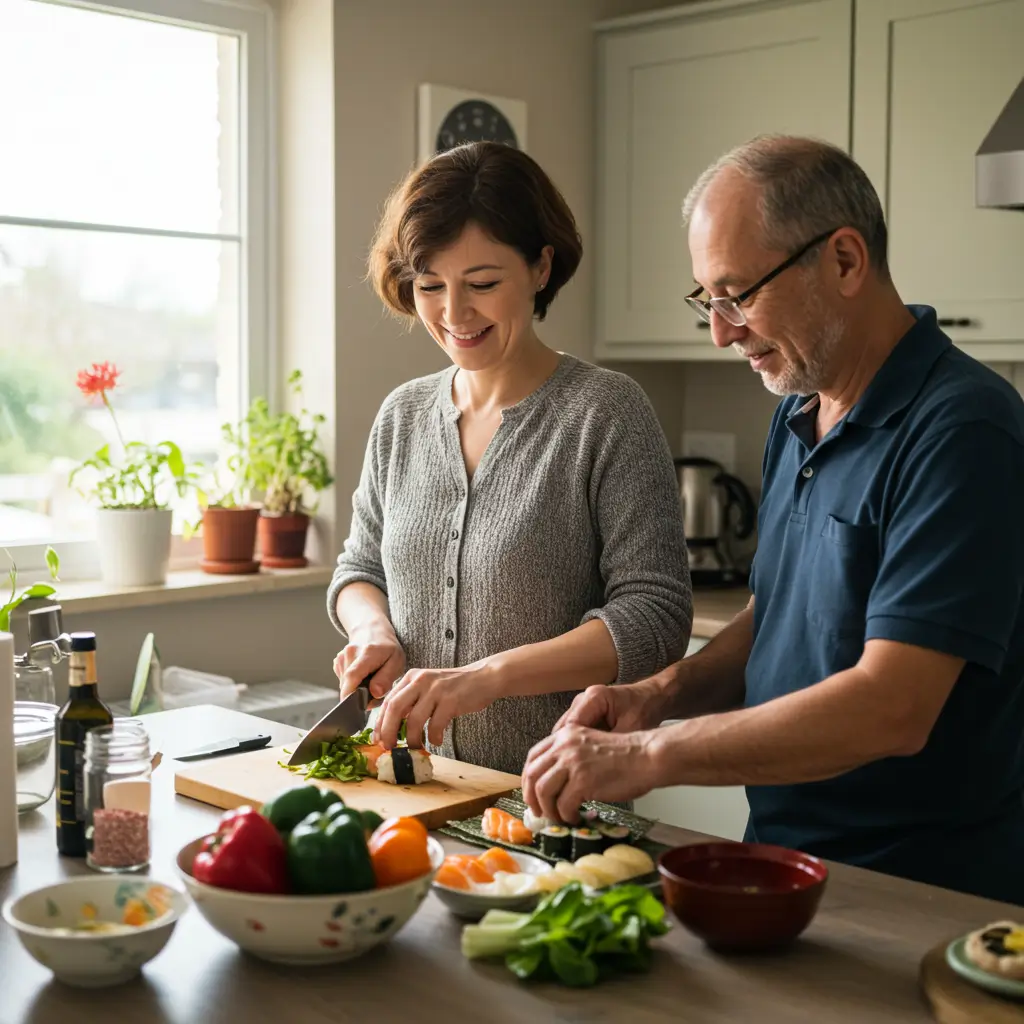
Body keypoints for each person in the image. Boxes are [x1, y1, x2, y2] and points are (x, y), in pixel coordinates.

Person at [523, 134, 1024, 903]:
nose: (722, 331)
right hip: (781, 863)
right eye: (707, 301)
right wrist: (656, 696)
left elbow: (894, 708)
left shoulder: (964, 430)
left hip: (921, 896)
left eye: (738, 294)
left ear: (846, 261)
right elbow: (777, 616)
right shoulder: (799, 411)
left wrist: (653, 754)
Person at [327, 141, 692, 776]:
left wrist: (488, 678)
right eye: (430, 285)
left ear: (541, 268)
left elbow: (654, 616)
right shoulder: (403, 416)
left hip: (558, 799)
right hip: (412, 791)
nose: (454, 313)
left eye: (483, 283)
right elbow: (359, 567)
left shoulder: (604, 414)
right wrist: (372, 630)